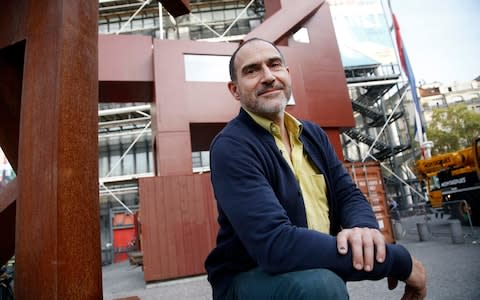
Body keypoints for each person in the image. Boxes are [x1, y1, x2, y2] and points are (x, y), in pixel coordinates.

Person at [204, 38, 426, 300]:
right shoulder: (232, 146)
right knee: (320, 286)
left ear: (287, 74)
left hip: (309, 268)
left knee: (322, 281)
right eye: (252, 70)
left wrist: (366, 231)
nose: (267, 77)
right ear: (235, 90)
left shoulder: (311, 134)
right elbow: (276, 245)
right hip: (246, 279)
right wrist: (397, 260)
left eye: (274, 65)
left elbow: (348, 195)